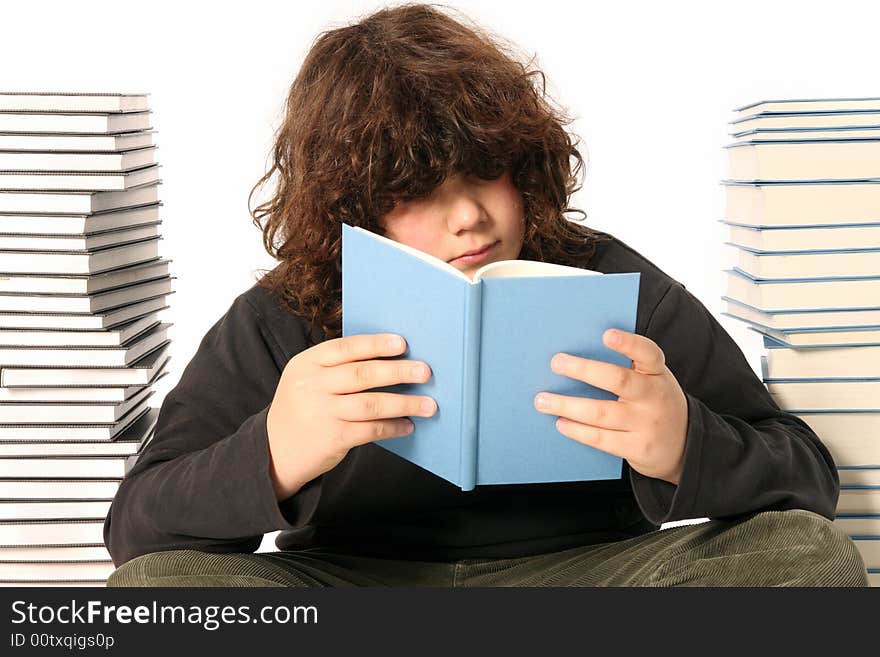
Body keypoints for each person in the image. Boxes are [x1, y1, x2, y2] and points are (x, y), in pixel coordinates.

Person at [104, 3, 868, 587]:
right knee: (152, 593)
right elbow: (136, 528)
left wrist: (684, 444)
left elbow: (805, 474)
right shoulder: (284, 314)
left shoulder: (608, 278)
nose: (467, 216)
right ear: (352, 208)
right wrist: (271, 456)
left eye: (485, 170)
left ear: (524, 161)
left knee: (809, 558)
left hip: (595, 578)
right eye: (413, 192)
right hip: (353, 587)